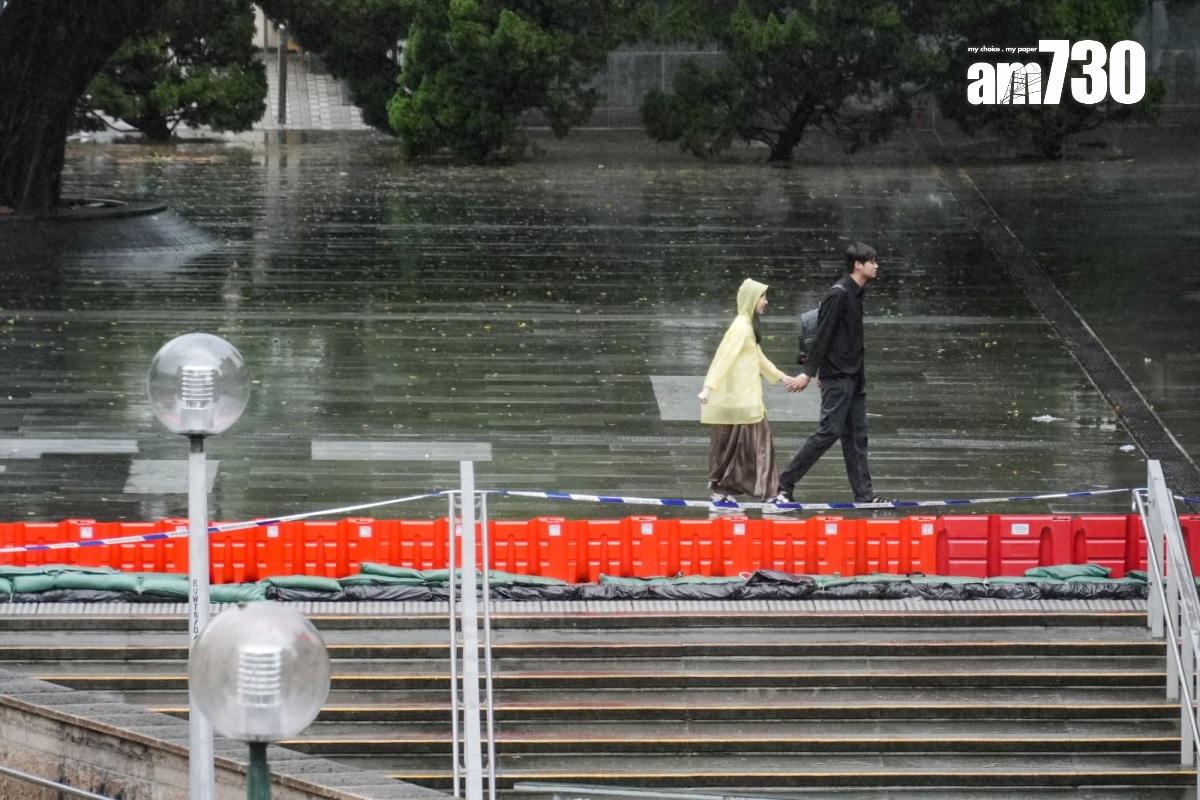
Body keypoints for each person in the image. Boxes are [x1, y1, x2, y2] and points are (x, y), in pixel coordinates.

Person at [772, 242, 886, 506]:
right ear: (858, 265)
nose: (876, 265)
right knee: (829, 432)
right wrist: (808, 373)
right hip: (838, 378)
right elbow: (822, 336)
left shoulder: (856, 292)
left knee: (857, 436)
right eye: (872, 261)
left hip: (854, 378)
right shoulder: (839, 294)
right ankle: (783, 483)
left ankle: (864, 495)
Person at [698, 278, 791, 508]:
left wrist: (782, 377)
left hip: (741, 401)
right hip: (744, 403)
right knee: (761, 446)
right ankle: (769, 493)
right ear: (751, 299)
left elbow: (758, 359)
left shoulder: (746, 326)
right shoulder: (741, 327)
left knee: (730, 448)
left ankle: (723, 492)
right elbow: (723, 358)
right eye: (762, 297)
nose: (765, 302)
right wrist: (708, 388)